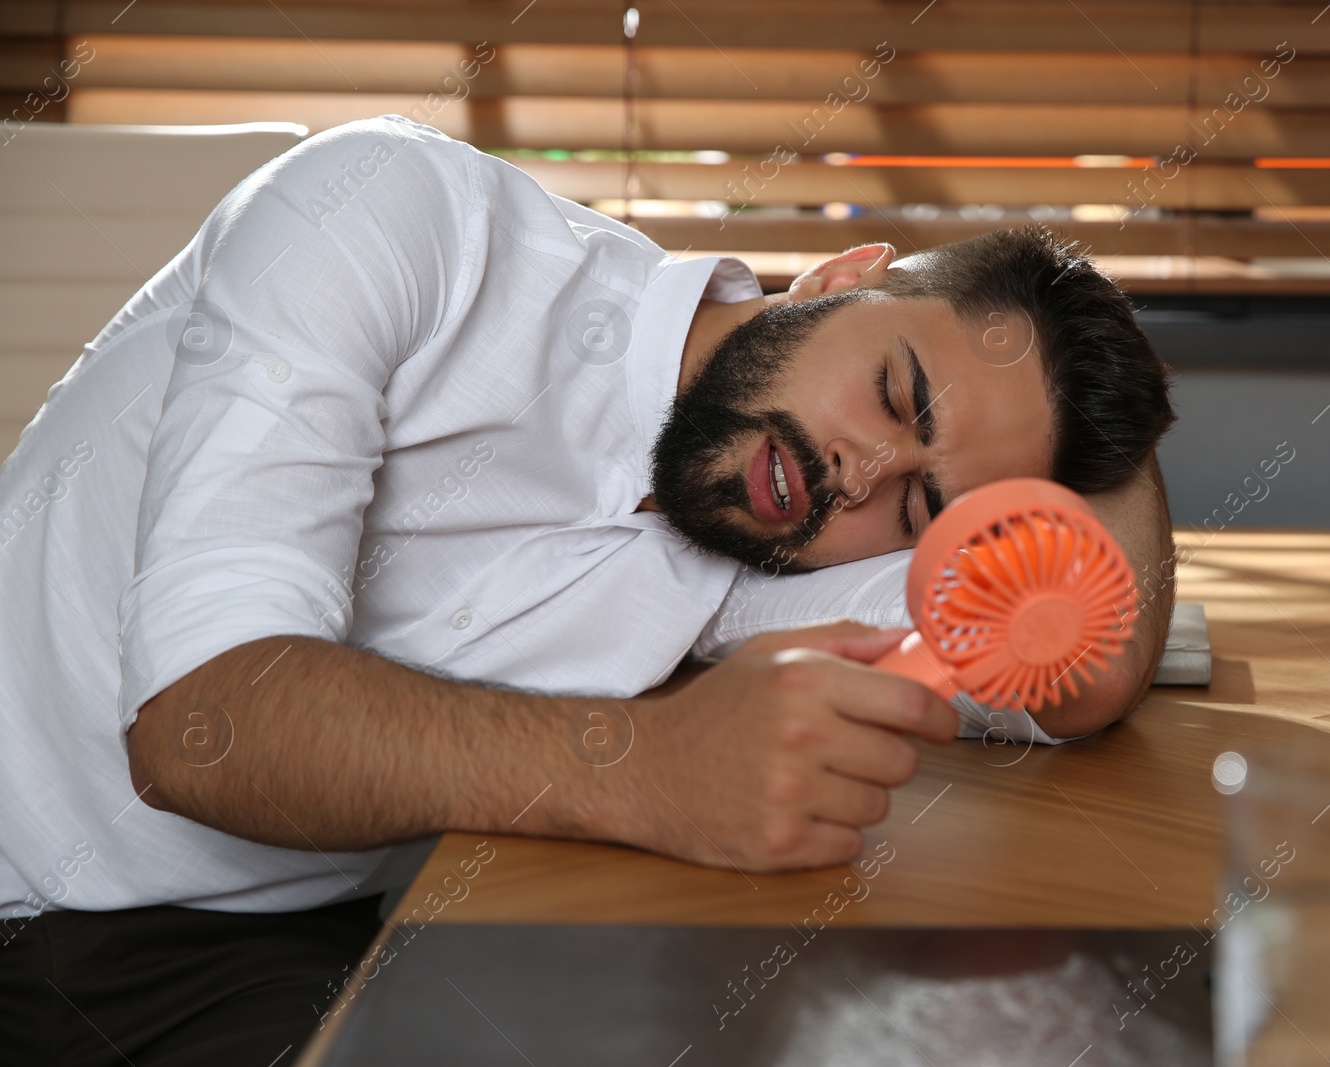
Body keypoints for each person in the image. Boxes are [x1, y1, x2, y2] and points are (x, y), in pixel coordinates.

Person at [0, 114, 1174, 1063]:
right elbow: (202, 724)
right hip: (49, 911)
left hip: (307, 917)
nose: (861, 473)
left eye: (920, 503)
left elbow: (1091, 655)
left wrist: (1082, 408)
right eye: (897, 392)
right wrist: (649, 767)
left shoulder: (767, 541)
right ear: (839, 275)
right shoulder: (388, 212)